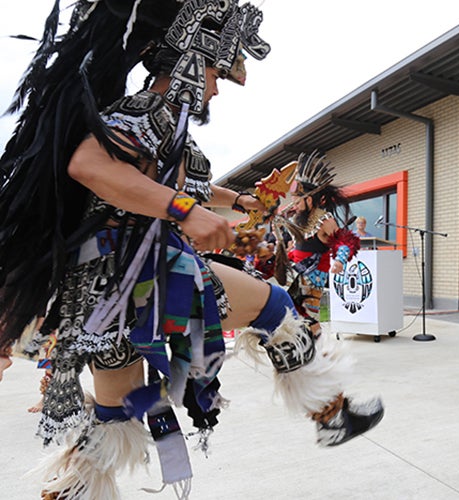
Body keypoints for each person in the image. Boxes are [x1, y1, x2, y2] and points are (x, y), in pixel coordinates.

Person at [0, 2, 382, 497]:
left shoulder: (166, 130)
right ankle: (330, 416)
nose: (217, 86)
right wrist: (185, 212)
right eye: (213, 73)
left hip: (104, 299)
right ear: (186, 63)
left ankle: (66, 493)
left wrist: (238, 199)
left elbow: (189, 183)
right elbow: (90, 166)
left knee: (115, 418)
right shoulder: (145, 113)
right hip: (142, 277)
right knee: (277, 308)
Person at [278, 151, 360, 334]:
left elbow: (344, 241)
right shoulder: (298, 219)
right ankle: (307, 347)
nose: (295, 203)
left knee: (307, 315)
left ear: (311, 199)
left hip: (313, 274)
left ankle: (319, 347)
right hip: (295, 270)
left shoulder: (325, 220)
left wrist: (339, 260)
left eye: (298, 199)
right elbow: (297, 245)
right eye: (293, 199)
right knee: (287, 310)